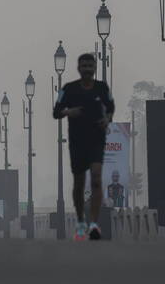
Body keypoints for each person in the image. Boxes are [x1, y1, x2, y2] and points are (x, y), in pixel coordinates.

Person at [53, 53, 115, 241]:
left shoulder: (102, 88)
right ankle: (81, 221)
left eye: (90, 65)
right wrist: (68, 111)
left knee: (96, 177)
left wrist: (107, 119)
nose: (87, 69)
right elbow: (55, 112)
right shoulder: (68, 89)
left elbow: (111, 106)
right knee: (79, 183)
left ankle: (94, 224)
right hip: (77, 141)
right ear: (78, 68)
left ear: (94, 68)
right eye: (84, 66)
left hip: (96, 139)